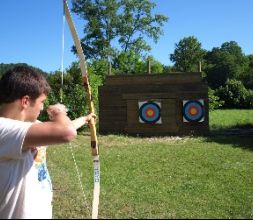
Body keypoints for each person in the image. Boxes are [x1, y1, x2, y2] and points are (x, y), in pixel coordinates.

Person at [0, 66, 96, 219]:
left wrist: (85, 119)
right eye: (42, 101)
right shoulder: (3, 128)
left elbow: (64, 127)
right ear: (25, 101)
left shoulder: (27, 127)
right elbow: (66, 132)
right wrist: (58, 112)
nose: (43, 107)